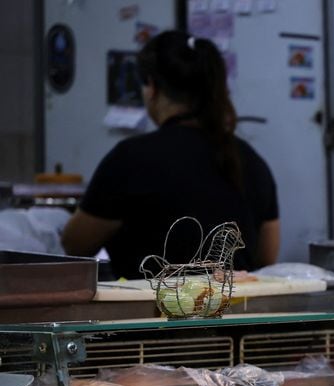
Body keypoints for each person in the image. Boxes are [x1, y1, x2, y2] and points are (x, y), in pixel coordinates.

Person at [62, 30, 279, 280]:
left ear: (152, 88)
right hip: (234, 303)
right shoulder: (250, 160)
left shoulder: (131, 159)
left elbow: (75, 244)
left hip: (155, 304)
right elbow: (267, 257)